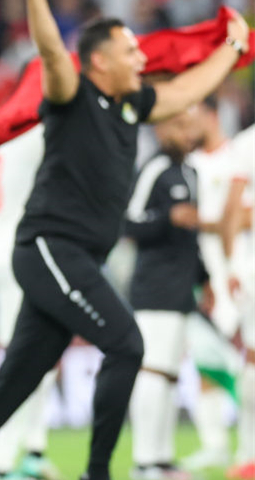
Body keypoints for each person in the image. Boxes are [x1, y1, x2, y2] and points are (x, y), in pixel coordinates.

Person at [0, 0, 250, 480]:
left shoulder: (131, 105)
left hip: (76, 256)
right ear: (99, 62)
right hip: (50, 248)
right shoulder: (72, 95)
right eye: (130, 51)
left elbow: (187, 88)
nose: (140, 59)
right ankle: (97, 473)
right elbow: (51, 53)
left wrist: (231, 49)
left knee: (16, 381)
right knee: (126, 344)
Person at [0, 123, 60, 480]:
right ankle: (2, 465)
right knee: (23, 363)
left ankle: (34, 450)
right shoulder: (37, 132)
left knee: (44, 353)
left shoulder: (2, 134)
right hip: (18, 250)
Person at [124, 105, 203, 479]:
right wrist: (167, 218)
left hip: (182, 287)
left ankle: (163, 458)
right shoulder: (153, 169)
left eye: (191, 127)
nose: (188, 135)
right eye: (180, 126)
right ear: (161, 130)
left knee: (170, 375)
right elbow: (129, 221)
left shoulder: (191, 172)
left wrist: (204, 280)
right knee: (153, 372)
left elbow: (193, 239)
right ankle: (144, 462)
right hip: (154, 287)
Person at [183, 98, 241, 471]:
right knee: (205, 358)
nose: (188, 125)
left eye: (194, 116)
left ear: (213, 116)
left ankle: (246, 446)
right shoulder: (189, 164)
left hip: (238, 270)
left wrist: (203, 220)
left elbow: (244, 215)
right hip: (200, 274)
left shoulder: (239, 157)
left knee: (242, 358)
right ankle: (214, 443)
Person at [221, 124, 255, 480]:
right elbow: (233, 208)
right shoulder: (247, 143)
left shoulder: (246, 142)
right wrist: (233, 264)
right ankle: (248, 454)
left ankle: (248, 455)